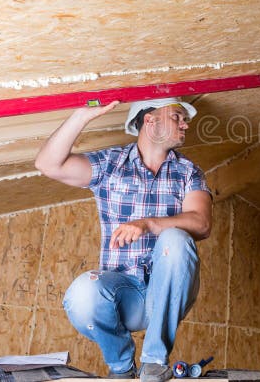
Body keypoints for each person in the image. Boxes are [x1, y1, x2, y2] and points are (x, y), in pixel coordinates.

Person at [34, 97, 212, 381]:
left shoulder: (188, 172)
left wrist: (149, 224)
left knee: (176, 239)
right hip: (121, 299)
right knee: (83, 292)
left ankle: (154, 363)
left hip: (166, 295)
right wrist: (81, 117)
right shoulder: (111, 164)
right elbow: (47, 164)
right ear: (150, 121)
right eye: (177, 116)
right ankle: (121, 368)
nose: (186, 124)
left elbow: (201, 224)